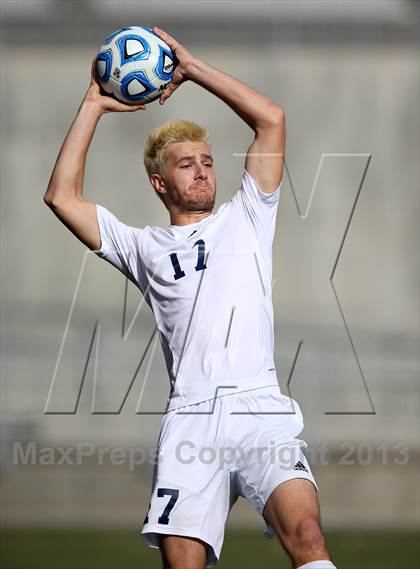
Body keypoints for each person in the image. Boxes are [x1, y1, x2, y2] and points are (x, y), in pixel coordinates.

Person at [44, 26, 337, 569]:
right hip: (190, 420)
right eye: (186, 165)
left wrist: (191, 68)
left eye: (206, 161)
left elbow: (270, 117)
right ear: (159, 183)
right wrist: (93, 103)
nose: (203, 172)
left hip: (259, 407)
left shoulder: (248, 214)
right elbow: (61, 196)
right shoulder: (141, 247)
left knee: (308, 537)